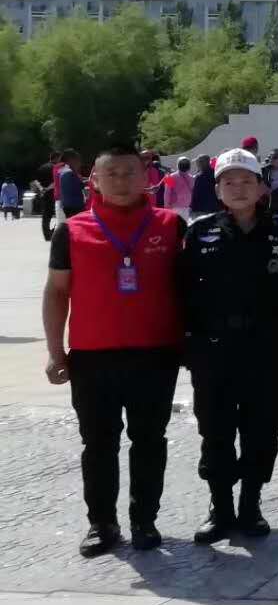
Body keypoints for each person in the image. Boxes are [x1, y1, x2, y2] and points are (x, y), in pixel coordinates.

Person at [43, 144, 187, 556]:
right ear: (94, 181)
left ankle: (145, 520)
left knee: (150, 439)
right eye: (112, 174)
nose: (122, 181)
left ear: (146, 177)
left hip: (155, 354)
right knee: (98, 443)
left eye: (130, 172)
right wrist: (55, 352)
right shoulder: (72, 230)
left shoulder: (171, 225)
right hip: (92, 356)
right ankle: (102, 523)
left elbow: (191, 289)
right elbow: (56, 292)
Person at [177, 147, 278, 543]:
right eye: (229, 182)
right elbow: (183, 286)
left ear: (261, 187)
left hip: (262, 340)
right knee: (214, 426)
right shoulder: (199, 231)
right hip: (213, 345)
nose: (238, 188)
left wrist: (255, 302)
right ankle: (220, 507)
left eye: (246, 181)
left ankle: (251, 505)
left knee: (262, 424)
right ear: (218, 189)